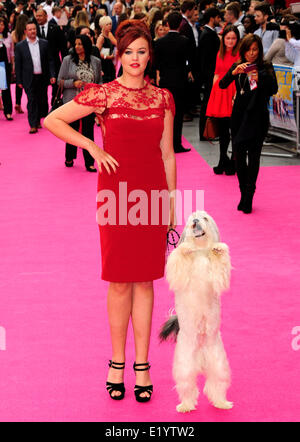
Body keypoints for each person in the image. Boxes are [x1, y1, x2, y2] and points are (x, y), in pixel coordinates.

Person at [44, 19, 176, 402]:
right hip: (115, 197)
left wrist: (170, 204)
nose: (135, 59)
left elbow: (167, 153)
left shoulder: (163, 98)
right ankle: (117, 362)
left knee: (146, 282)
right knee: (119, 281)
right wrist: (92, 146)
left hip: (151, 197)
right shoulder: (104, 94)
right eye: (129, 52)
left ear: (150, 56)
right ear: (119, 55)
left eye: (142, 51)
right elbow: (51, 119)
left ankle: (144, 365)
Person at [219, 34, 278, 214]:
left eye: (255, 49)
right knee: (238, 153)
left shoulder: (265, 66)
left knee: (254, 156)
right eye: (248, 50)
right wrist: (234, 72)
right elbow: (222, 84)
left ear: (259, 50)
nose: (252, 53)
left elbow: (273, 89)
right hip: (238, 116)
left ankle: (249, 196)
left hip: (257, 116)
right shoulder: (238, 65)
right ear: (243, 50)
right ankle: (243, 190)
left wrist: (259, 77)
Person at [57, 34, 102, 171]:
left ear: (86, 46)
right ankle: (69, 157)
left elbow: (99, 81)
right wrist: (73, 83)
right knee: (72, 130)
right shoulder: (67, 60)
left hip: (89, 102)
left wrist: (97, 91)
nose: (76, 47)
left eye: (80, 44)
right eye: (75, 44)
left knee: (89, 132)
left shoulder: (95, 61)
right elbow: (60, 81)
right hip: (72, 102)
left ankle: (89, 162)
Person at [154, 11, 192, 153]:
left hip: (165, 81)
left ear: (168, 24)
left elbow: (156, 63)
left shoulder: (159, 42)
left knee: (164, 113)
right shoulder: (185, 41)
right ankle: (176, 144)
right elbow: (188, 61)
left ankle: (163, 143)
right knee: (178, 113)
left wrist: (158, 75)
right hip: (180, 82)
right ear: (180, 24)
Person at [206, 25, 240, 175]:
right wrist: (212, 96)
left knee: (235, 130)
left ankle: (234, 161)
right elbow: (216, 73)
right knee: (223, 131)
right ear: (223, 39)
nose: (230, 41)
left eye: (233, 38)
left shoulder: (240, 54)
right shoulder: (219, 53)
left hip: (233, 92)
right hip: (220, 92)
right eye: (228, 38)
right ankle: (222, 160)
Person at [15, 21, 56, 133]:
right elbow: (18, 64)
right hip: (28, 78)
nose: (32, 31)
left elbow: (50, 60)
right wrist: (18, 80)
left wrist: (52, 75)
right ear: (25, 31)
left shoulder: (44, 43)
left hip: (42, 77)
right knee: (31, 100)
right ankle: (33, 124)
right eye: (30, 29)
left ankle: (38, 120)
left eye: (34, 29)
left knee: (41, 99)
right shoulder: (20, 46)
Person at [198, 7, 221, 141]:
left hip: (209, 75)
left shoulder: (208, 33)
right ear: (212, 18)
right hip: (209, 75)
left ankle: (207, 132)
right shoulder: (208, 34)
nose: (220, 20)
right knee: (207, 105)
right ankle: (205, 132)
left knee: (208, 104)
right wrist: (210, 77)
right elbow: (206, 59)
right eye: (218, 17)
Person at [11, 13, 28, 114]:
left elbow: (12, 50)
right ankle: (30, 101)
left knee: (19, 83)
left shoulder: (14, 33)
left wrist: (13, 64)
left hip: (17, 60)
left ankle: (18, 103)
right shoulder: (27, 34)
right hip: (26, 60)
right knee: (27, 82)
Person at [0, 16, 13, 120]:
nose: (0, 26)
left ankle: (8, 111)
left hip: (5, 66)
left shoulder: (8, 36)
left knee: (6, 89)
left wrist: (13, 65)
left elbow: (12, 52)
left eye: (2, 24)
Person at [96, 15, 116, 83]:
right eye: (107, 24)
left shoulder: (109, 35)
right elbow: (96, 52)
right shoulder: (101, 38)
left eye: (110, 24)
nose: (109, 26)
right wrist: (107, 57)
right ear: (102, 26)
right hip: (104, 64)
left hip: (109, 63)